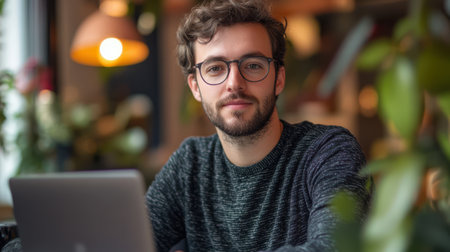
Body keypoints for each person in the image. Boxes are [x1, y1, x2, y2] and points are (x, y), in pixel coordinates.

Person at [146, 0, 371, 251]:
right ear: (195, 87)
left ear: (278, 79)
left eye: (253, 65)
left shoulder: (328, 152)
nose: (234, 83)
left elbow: (333, 247)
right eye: (215, 68)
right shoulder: (190, 165)